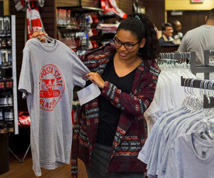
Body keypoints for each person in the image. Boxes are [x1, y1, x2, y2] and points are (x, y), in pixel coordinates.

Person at [32, 13, 161, 178]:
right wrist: (46, 43)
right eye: (118, 41)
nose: (122, 48)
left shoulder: (149, 71)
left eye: (129, 45)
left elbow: (139, 106)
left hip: (130, 152)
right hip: (96, 147)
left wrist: (104, 86)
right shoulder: (99, 58)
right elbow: (68, 63)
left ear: (142, 43)